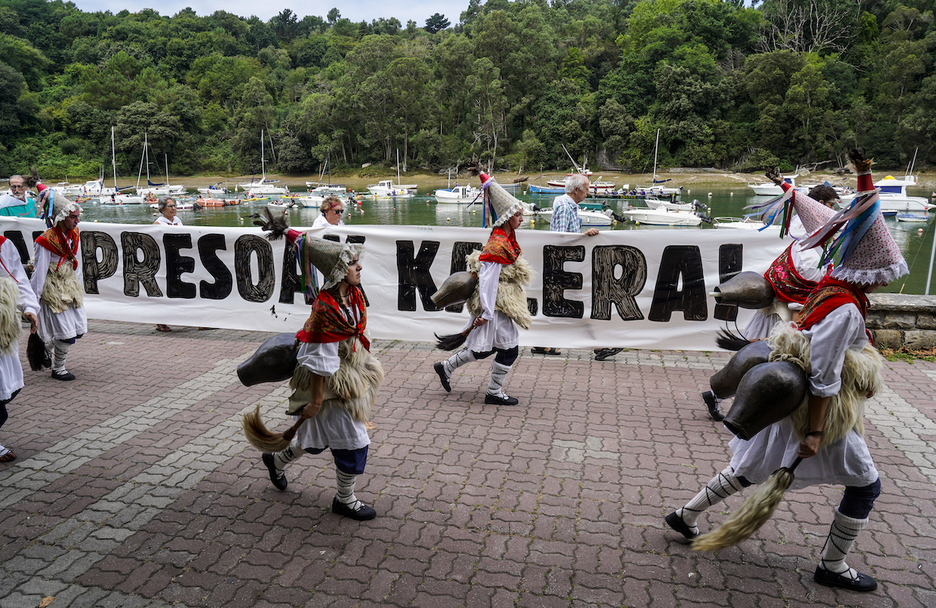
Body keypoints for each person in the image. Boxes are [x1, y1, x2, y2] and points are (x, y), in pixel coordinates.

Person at [666, 150, 907, 593]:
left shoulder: (831, 288)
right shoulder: (844, 308)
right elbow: (825, 377)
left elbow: (861, 214)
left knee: (750, 468)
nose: (886, 277)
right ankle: (832, 566)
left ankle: (686, 515)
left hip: (790, 402)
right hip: (819, 414)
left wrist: (865, 175)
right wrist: (815, 432)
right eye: (884, 271)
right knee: (866, 486)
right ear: (870, 270)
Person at [246, 216, 384, 521]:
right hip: (331, 387)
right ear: (338, 273)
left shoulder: (354, 295)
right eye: (353, 265)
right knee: (354, 444)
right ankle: (344, 500)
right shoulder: (325, 310)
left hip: (348, 377)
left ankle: (277, 461)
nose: (359, 268)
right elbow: (318, 357)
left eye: (358, 263)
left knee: (316, 440)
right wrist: (317, 399)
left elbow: (357, 332)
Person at [702, 180, 839, 421]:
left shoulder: (809, 243)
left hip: (780, 309)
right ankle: (729, 399)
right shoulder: (809, 256)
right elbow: (802, 296)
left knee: (759, 359)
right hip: (786, 316)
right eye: (830, 205)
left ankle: (722, 396)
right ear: (819, 206)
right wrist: (798, 335)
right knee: (764, 361)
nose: (835, 211)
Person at [433, 171, 532, 406]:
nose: (521, 217)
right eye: (517, 214)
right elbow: (488, 280)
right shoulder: (498, 245)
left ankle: (445, 367)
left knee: (486, 349)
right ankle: (493, 393)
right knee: (508, 350)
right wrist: (486, 313)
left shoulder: (506, 239)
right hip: (495, 306)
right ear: (507, 217)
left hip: (497, 305)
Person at [537, 173, 622, 361]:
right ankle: (599, 347)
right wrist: (583, 235)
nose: (588, 191)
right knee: (579, 304)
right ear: (576, 190)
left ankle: (541, 342)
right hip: (564, 265)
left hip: (566, 264)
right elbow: (559, 237)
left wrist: (582, 235)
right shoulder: (565, 207)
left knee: (561, 305)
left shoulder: (568, 205)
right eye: (586, 188)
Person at [31, 192, 86, 381]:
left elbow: (75, 262)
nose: (77, 221)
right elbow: (39, 272)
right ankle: (58, 368)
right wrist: (33, 301)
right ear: (62, 217)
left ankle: (45, 348)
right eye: (73, 217)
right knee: (67, 335)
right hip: (53, 290)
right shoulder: (46, 241)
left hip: (69, 286)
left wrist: (77, 288)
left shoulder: (74, 234)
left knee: (78, 331)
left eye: (78, 216)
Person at [0, 235, 40, 462]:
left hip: (2, 325)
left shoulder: (3, 245)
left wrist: (29, 308)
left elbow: (19, 280)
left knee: (9, 388)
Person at [153, 196, 181, 331]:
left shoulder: (178, 221)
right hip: (164, 263)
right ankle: (161, 321)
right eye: (170, 206)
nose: (173, 208)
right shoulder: (158, 225)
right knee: (163, 291)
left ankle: (195, 320)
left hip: (178, 261)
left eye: (174, 205)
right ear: (162, 209)